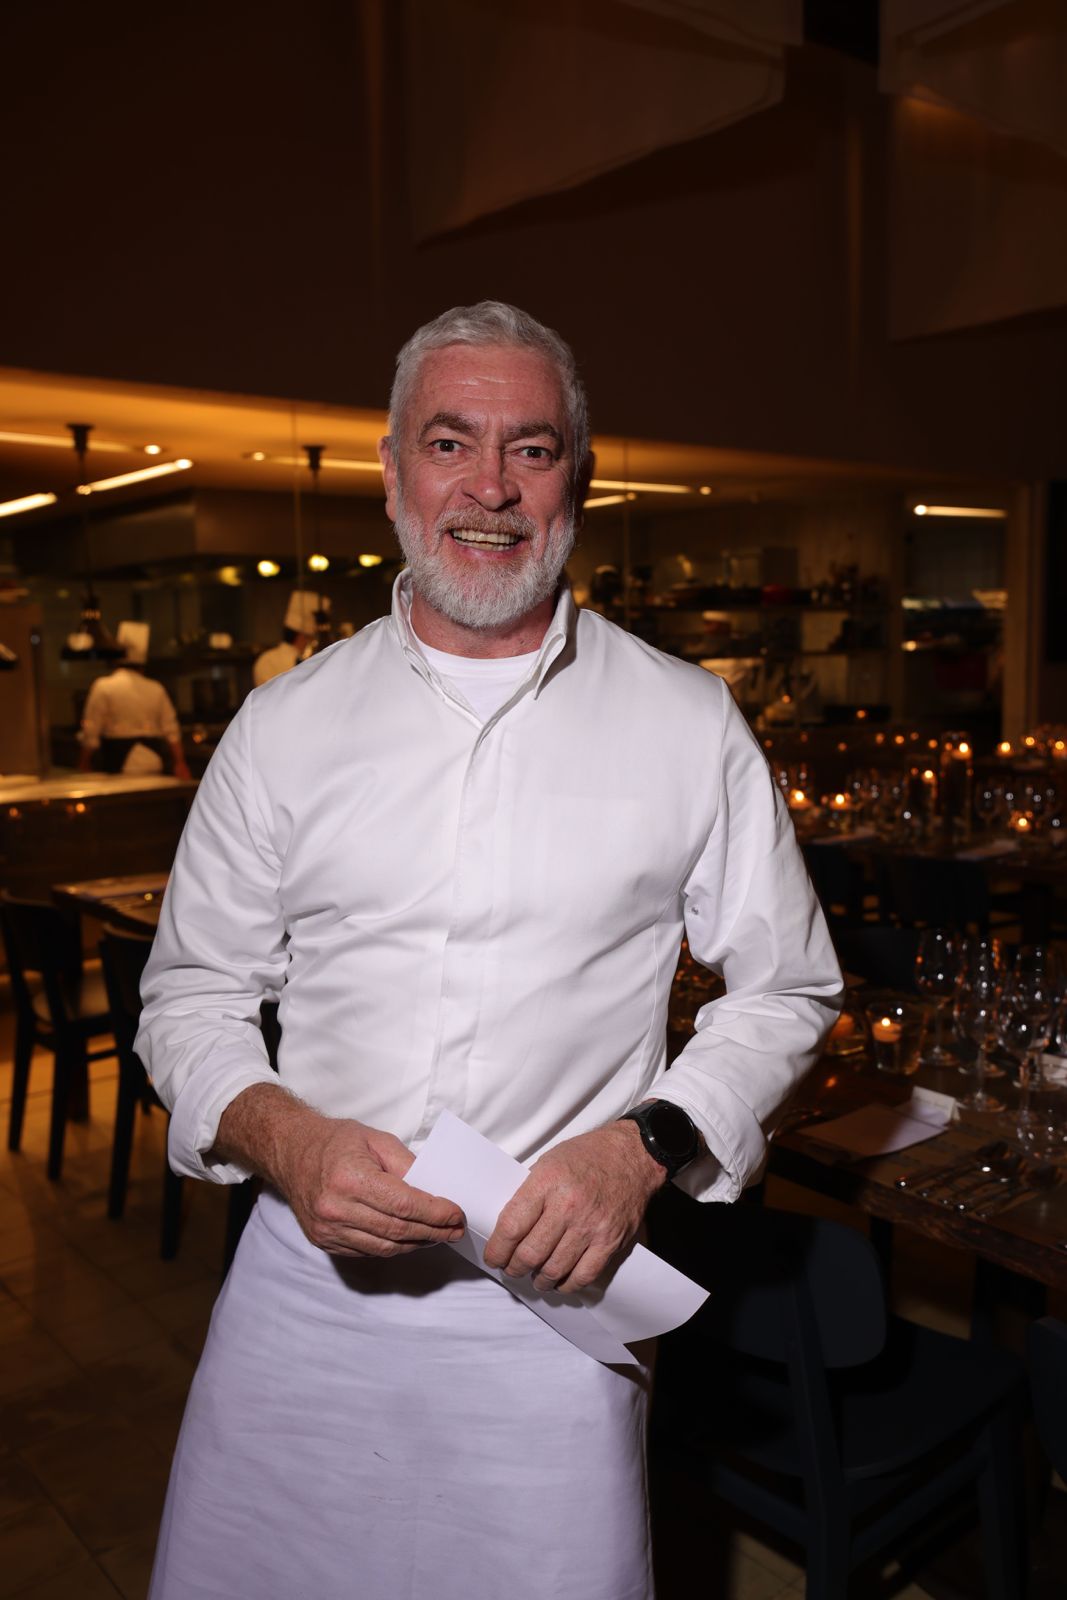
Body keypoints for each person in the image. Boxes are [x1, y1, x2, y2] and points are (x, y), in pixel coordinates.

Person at [137, 301, 842, 1600]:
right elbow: (189, 995)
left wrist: (641, 1147)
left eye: (531, 448)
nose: (490, 487)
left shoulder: (687, 721)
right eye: (450, 442)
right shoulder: (282, 726)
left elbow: (787, 988)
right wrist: (286, 1138)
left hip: (557, 1308)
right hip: (306, 1300)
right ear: (391, 473)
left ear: (578, 477)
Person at [79, 622, 191, 778]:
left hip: (117, 763)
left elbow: (91, 730)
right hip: (153, 761)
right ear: (143, 665)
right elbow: (172, 730)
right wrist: (180, 762)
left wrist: (84, 762)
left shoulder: (103, 686)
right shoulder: (156, 688)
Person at [252, 590, 328, 685]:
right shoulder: (268, 661)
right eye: (311, 637)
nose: (313, 641)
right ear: (302, 637)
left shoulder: (266, 659)